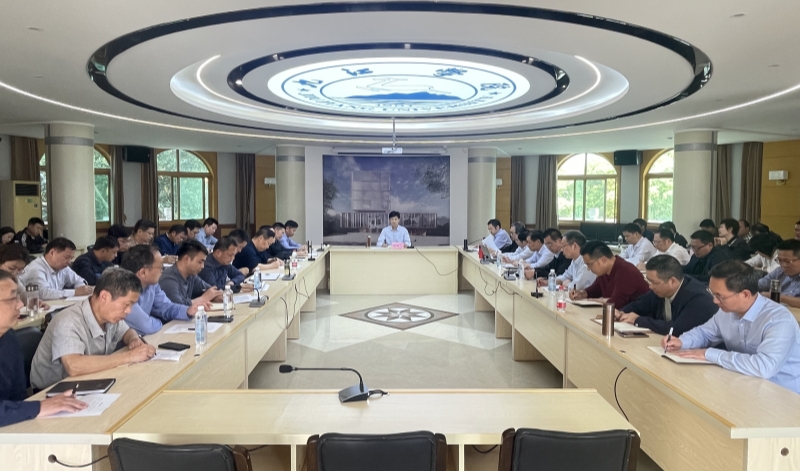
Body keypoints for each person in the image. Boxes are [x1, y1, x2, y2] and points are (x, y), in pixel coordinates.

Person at [663, 261, 800, 394]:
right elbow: (704, 333)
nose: (714, 301)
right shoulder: (726, 312)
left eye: (720, 296)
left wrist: (708, 354)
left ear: (745, 294)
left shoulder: (779, 321)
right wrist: (681, 341)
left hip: (782, 393)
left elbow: (763, 367)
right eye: (712, 293)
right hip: (743, 382)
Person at [31, 268, 155, 390]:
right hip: (53, 390)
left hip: (91, 380)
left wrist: (133, 339)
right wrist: (128, 356)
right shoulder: (68, 321)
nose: (129, 311)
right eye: (126, 304)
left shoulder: (110, 315)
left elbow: (127, 331)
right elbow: (73, 366)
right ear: (104, 296)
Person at [0, 270, 87, 426]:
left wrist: (41, 407)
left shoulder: (8, 338)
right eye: (12, 298)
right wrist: (38, 407)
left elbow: (18, 397)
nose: (20, 304)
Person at [618, 255, 718, 335]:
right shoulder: (660, 291)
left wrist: (638, 320)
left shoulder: (698, 298)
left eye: (654, 282)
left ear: (672, 281)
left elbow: (678, 329)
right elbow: (639, 305)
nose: (650, 286)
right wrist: (620, 313)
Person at [120, 245, 206, 335]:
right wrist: (160, 323)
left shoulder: (152, 285)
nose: (162, 270)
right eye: (160, 267)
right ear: (143, 272)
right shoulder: (123, 290)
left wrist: (187, 311)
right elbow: (146, 327)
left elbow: (167, 307)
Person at [571, 241, 649, 308]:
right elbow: (595, 290)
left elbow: (616, 303)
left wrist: (598, 300)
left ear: (603, 260)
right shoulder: (605, 271)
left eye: (589, 264)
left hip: (638, 316)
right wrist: (582, 293)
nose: (588, 269)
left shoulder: (626, 271)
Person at [20, 238, 92, 300]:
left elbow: (79, 280)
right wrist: (75, 292)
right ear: (52, 253)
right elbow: (43, 293)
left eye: (71, 258)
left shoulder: (63, 267)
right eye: (66, 257)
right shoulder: (35, 269)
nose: (69, 262)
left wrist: (82, 288)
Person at [159, 240, 221, 306]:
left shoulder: (191, 275)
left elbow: (210, 289)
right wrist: (203, 298)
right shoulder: (168, 278)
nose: (203, 266)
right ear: (186, 259)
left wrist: (217, 295)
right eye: (200, 262)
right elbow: (177, 306)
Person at [0, 244, 50, 311]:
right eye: (11, 268)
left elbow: (22, 293)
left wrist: (35, 302)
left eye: (20, 270)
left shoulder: (13, 278)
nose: (15, 273)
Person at [757, 239, 800, 308]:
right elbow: (760, 284)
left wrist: (777, 296)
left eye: (787, 261)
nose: (783, 265)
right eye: (779, 260)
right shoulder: (779, 271)